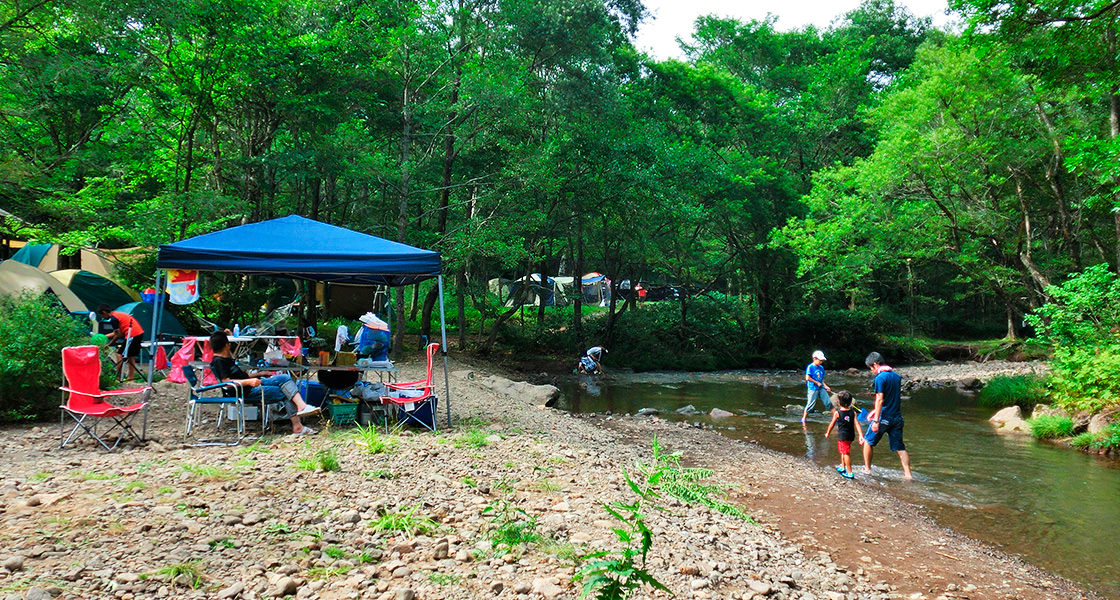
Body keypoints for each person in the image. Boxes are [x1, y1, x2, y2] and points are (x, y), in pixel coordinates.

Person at [209, 331, 320, 435]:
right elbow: (227, 383)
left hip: (250, 384)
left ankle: (302, 407)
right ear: (227, 345)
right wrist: (249, 381)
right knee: (286, 391)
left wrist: (260, 373)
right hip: (245, 391)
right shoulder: (219, 361)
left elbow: (242, 374)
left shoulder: (227, 359)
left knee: (284, 378)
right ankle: (298, 426)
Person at [862, 351, 912, 479]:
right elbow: (891, 397)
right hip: (897, 417)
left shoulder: (880, 378)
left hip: (884, 417)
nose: (872, 371)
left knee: (868, 441)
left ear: (875, 364)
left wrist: (876, 421)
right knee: (900, 448)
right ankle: (908, 475)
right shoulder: (896, 376)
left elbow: (879, 399)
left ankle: (867, 470)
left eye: (871, 368)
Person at [824, 390, 864, 480]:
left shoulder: (838, 413)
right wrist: (861, 435)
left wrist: (828, 433)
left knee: (845, 453)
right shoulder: (853, 412)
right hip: (850, 436)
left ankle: (850, 472)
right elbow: (857, 424)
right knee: (843, 450)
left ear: (838, 402)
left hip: (843, 436)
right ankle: (842, 466)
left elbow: (832, 424)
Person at [97, 304, 144, 380]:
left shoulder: (113, 319)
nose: (103, 318)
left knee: (119, 354)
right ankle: (130, 377)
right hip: (138, 332)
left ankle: (118, 376)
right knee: (130, 355)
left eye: (102, 315)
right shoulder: (117, 314)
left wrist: (110, 343)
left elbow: (118, 335)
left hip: (132, 334)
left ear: (104, 312)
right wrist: (104, 336)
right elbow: (119, 332)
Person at [802, 350, 831, 424]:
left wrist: (826, 386)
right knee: (810, 404)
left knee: (828, 402)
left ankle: (836, 417)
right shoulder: (810, 367)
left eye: (822, 361)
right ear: (814, 359)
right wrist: (816, 382)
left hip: (821, 388)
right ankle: (803, 419)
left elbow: (821, 379)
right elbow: (807, 378)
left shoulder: (821, 367)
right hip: (813, 388)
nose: (821, 362)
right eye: (820, 360)